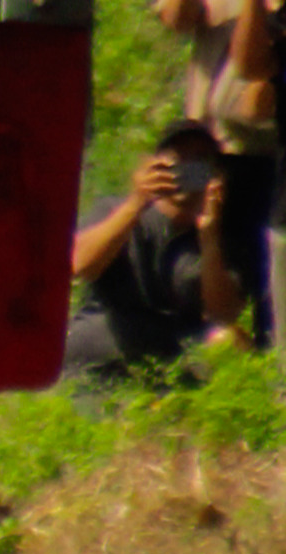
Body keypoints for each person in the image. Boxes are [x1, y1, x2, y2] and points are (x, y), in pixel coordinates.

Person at [148, 0, 281, 334]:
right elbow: (172, 15)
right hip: (216, 145)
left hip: (272, 148)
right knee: (210, 271)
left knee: (272, 274)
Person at [67, 124, 250, 378]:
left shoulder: (220, 238)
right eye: (176, 159)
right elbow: (79, 266)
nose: (186, 169)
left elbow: (224, 313)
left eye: (199, 161)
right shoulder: (115, 210)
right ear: (154, 165)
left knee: (232, 340)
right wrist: (137, 203)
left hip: (172, 355)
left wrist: (209, 234)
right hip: (104, 346)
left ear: (216, 173)